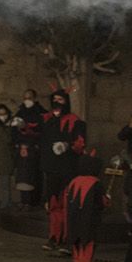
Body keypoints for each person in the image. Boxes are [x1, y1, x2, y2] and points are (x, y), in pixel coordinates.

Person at [39, 89, 86, 249]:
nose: (57, 102)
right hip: (51, 168)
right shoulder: (47, 119)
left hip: (68, 169)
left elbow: (80, 143)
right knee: (53, 204)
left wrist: (67, 146)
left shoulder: (74, 120)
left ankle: (67, 239)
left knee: (67, 204)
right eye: (55, 99)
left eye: (61, 99)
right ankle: (54, 237)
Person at [63, 148, 109, 262]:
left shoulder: (73, 181)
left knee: (76, 241)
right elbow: (101, 203)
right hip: (89, 219)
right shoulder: (96, 183)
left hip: (73, 218)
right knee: (88, 243)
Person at [11, 89, 45, 209]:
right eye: (25, 98)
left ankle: (32, 202)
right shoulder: (20, 113)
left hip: (33, 150)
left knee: (32, 176)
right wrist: (18, 144)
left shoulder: (41, 114)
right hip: (21, 149)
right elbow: (14, 131)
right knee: (22, 177)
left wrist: (32, 144)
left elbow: (42, 132)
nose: (27, 100)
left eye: (29, 98)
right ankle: (23, 200)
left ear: (34, 99)